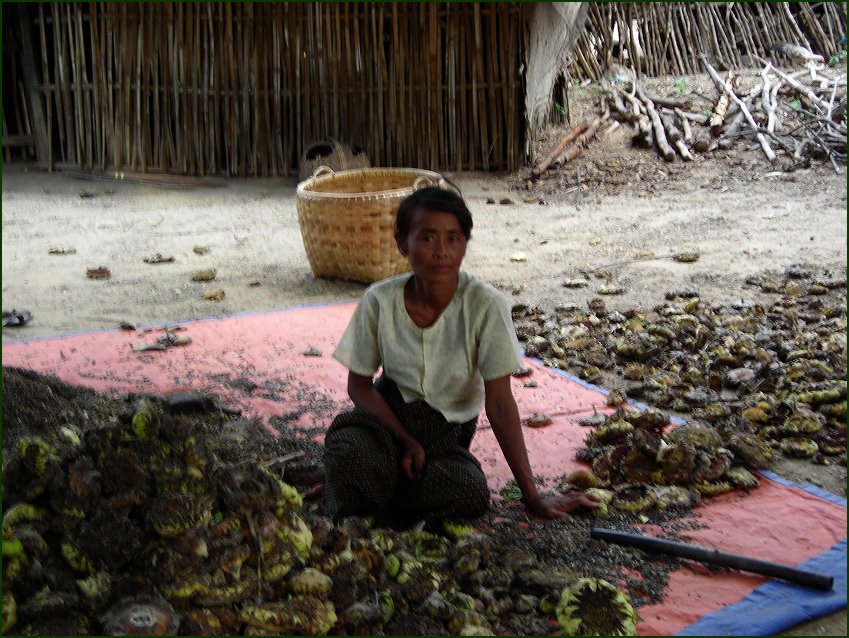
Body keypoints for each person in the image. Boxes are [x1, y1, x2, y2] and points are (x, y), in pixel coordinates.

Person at [320, 185, 598, 523]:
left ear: (465, 244)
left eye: (453, 238)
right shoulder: (380, 301)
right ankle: (373, 492)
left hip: (445, 438)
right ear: (401, 243)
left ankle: (370, 497)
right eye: (426, 238)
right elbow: (360, 386)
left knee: (467, 491)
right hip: (385, 424)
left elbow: (499, 402)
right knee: (349, 451)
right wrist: (404, 439)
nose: (441, 251)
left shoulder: (486, 305)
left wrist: (533, 496)